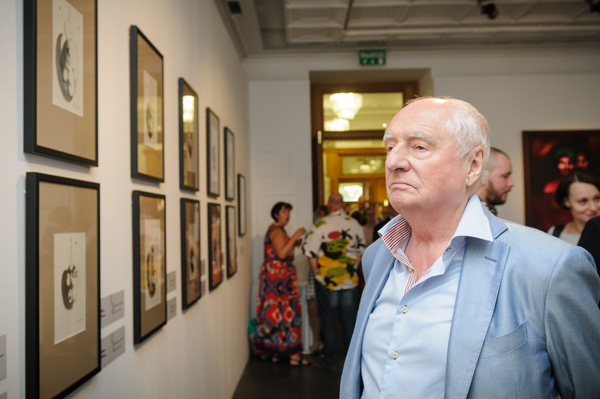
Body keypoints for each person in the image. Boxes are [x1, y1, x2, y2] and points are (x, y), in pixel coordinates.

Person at [340, 97, 600, 398]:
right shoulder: (377, 257)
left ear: (473, 165)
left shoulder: (549, 268)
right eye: (390, 147)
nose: (393, 161)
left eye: (419, 146)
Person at [304, 193, 366, 371]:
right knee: (349, 321)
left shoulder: (320, 225)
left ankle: (330, 363)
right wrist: (353, 266)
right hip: (349, 280)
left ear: (329, 205)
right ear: (343, 205)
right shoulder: (354, 224)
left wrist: (317, 272)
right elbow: (362, 250)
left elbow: (310, 253)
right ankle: (351, 364)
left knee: (329, 320)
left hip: (327, 280)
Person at [255, 202, 309, 366]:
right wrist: (295, 236)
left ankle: (276, 353)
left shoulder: (277, 230)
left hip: (277, 280)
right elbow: (282, 253)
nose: (288, 215)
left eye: (288, 212)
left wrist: (294, 242)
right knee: (286, 313)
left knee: (277, 313)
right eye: (285, 212)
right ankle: (293, 355)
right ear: (277, 214)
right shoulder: (277, 230)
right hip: (279, 281)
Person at [547, 171, 600, 245]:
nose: (593, 208)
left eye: (596, 198)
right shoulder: (555, 234)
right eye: (582, 201)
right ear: (567, 201)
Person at [476, 147, 514, 216]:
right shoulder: (470, 217)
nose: (511, 183)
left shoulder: (487, 213)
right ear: (482, 175)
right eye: (505, 176)